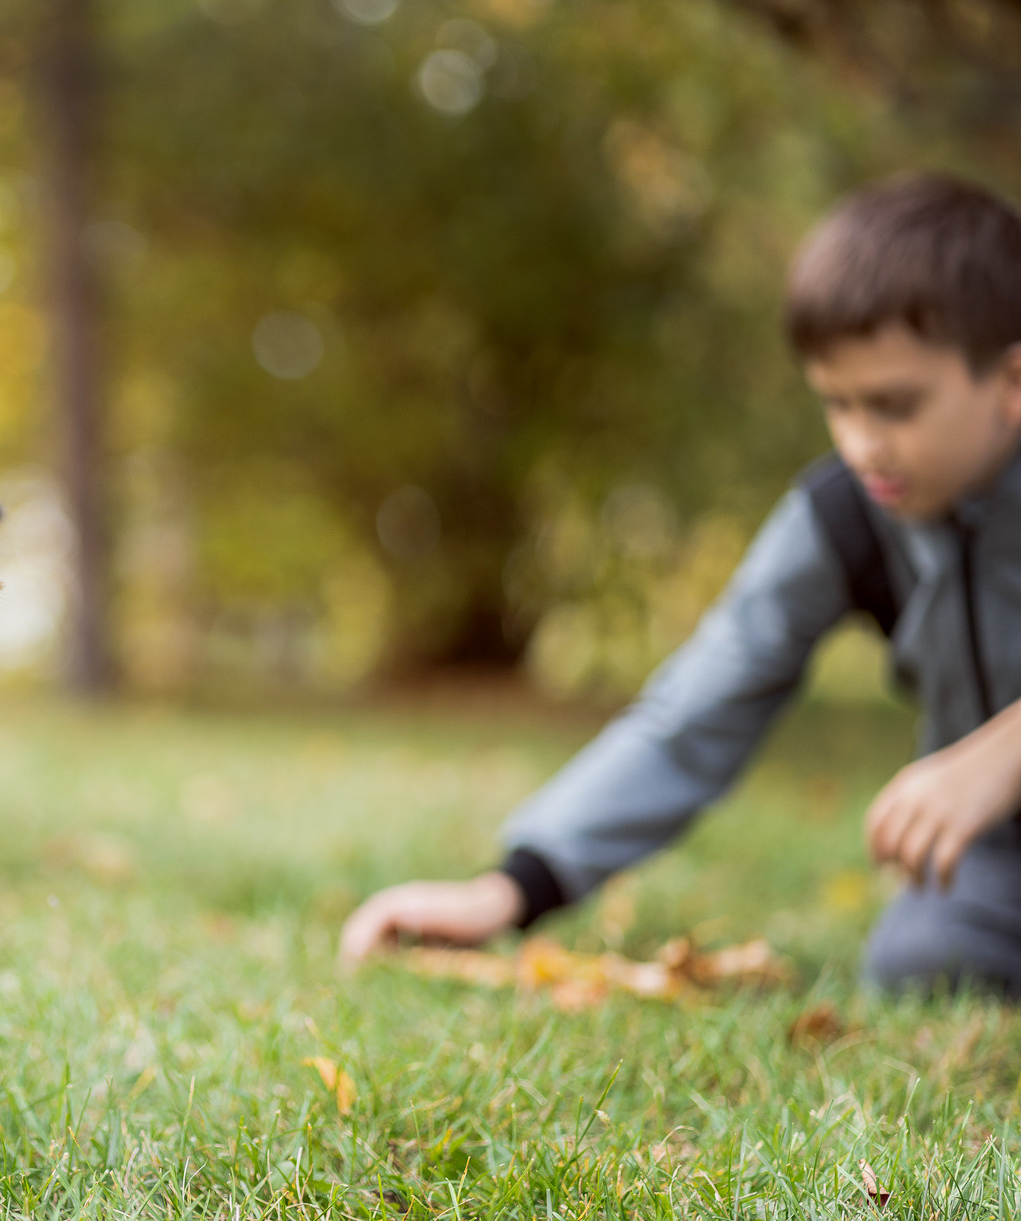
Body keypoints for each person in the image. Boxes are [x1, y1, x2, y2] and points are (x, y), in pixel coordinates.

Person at [339, 172, 1021, 993]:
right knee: (921, 965)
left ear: (1011, 382)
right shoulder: (848, 517)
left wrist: (1002, 754)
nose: (861, 442)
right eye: (836, 405)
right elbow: (691, 715)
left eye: (893, 405)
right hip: (998, 861)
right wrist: (510, 887)